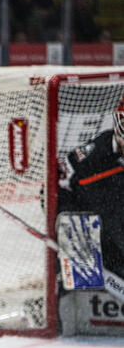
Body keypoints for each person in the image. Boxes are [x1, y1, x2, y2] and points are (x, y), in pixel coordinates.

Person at [57, 94, 124, 278]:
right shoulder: (92, 157)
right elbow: (58, 190)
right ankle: (76, 286)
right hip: (104, 250)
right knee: (62, 204)